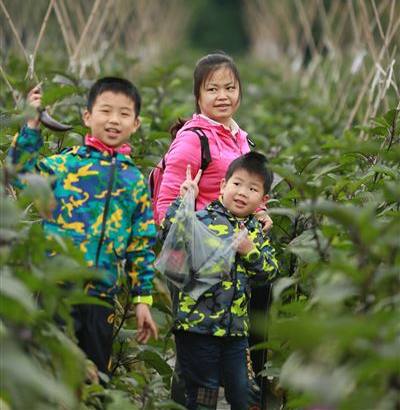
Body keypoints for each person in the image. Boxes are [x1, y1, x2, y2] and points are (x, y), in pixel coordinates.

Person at [8, 76, 158, 380]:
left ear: (136, 124)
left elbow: (140, 244)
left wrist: (143, 299)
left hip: (100, 298)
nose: (114, 120)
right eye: (105, 111)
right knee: (51, 375)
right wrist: (32, 126)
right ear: (87, 117)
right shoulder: (66, 166)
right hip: (57, 291)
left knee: (92, 379)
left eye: (124, 113)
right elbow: (20, 172)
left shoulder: (134, 182)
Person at [154, 52, 273, 397]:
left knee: (234, 350)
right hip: (201, 268)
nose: (223, 96)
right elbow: (165, 207)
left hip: (235, 264)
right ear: (198, 96)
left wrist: (261, 212)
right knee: (196, 359)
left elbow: (250, 189)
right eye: (213, 89)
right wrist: (197, 243)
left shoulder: (239, 137)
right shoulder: (194, 139)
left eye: (230, 87)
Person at [158, 152, 279, 410]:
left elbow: (268, 273)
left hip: (235, 332)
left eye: (252, 188)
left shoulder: (255, 232)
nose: (242, 192)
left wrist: (250, 251)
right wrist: (183, 200)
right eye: (236, 184)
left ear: (263, 200)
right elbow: (170, 237)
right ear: (223, 186)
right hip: (197, 328)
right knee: (203, 396)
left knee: (246, 395)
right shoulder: (202, 219)